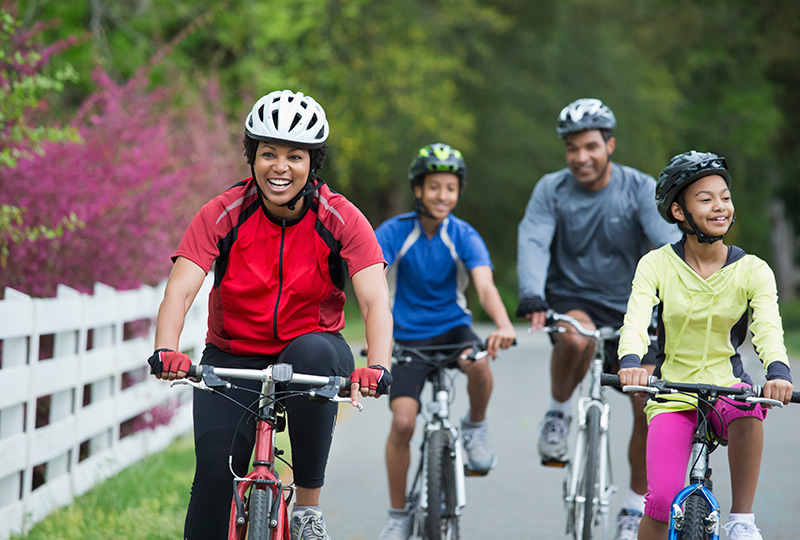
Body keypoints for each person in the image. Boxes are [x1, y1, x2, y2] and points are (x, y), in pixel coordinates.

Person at [146, 89, 394, 540]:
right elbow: (181, 290)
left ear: (312, 163)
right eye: (268, 154)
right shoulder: (222, 212)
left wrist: (376, 366)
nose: (280, 167)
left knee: (313, 354)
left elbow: (375, 298)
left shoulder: (341, 217)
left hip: (314, 350)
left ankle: (307, 512)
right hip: (232, 356)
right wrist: (166, 350)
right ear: (252, 156)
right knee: (214, 482)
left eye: (295, 156)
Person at [516, 98, 681, 539]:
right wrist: (531, 291)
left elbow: (670, 247)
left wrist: (679, 301)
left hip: (634, 307)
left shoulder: (638, 188)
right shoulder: (550, 189)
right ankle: (559, 413)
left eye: (590, 146)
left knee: (648, 405)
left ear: (610, 145)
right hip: (573, 298)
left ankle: (633, 506)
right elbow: (533, 239)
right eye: (572, 148)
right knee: (574, 338)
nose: (581, 157)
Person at [617, 151, 794, 540]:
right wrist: (631, 360)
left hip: (726, 389)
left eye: (725, 197)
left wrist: (778, 372)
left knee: (750, 408)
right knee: (661, 504)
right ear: (679, 212)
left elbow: (767, 327)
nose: (720, 207)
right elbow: (635, 320)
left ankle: (741, 521)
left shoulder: (752, 270)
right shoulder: (655, 264)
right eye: (706, 199)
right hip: (671, 394)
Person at [374, 143, 516, 540]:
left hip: (453, 330)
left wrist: (502, 323)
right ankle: (398, 514)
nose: (443, 196)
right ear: (418, 190)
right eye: (434, 187)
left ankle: (475, 425)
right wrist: (379, 334)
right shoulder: (393, 232)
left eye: (450, 188)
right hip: (405, 336)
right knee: (402, 422)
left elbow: (485, 287)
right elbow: (375, 286)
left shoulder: (464, 235)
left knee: (480, 364)